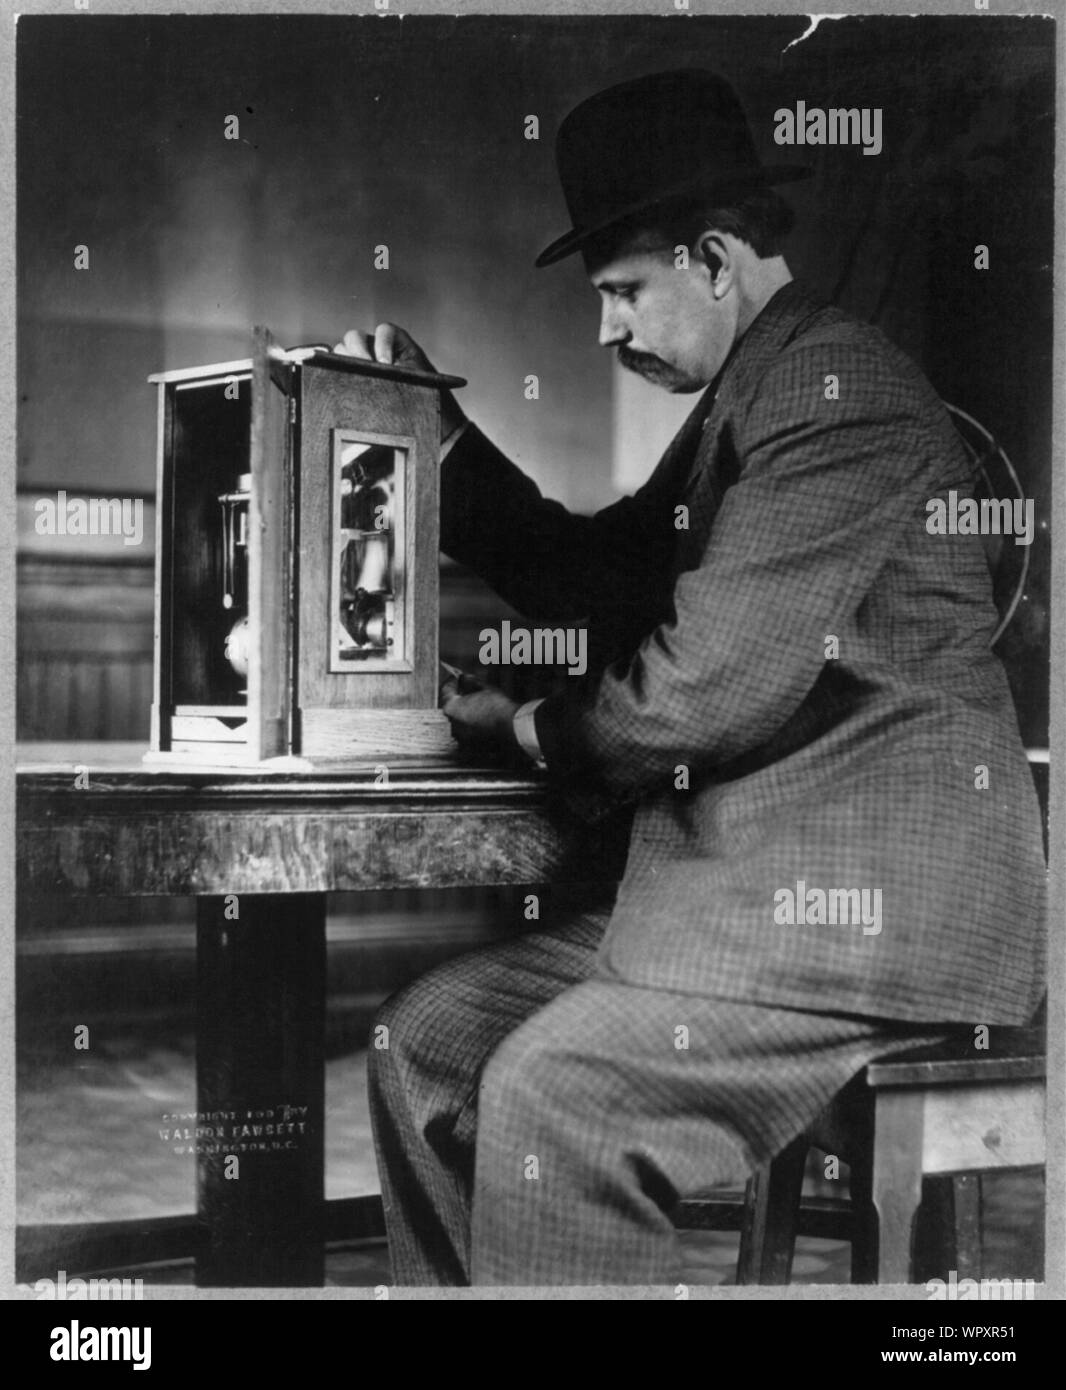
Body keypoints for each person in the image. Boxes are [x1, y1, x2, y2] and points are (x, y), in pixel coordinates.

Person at [333, 70, 1046, 1286]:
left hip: (860, 922)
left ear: (713, 260)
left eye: (621, 292)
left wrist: (529, 730)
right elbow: (589, 567)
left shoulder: (840, 393)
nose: (604, 331)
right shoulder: (756, 394)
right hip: (735, 899)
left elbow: (696, 691)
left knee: (558, 1103)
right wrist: (432, 430)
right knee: (425, 1043)